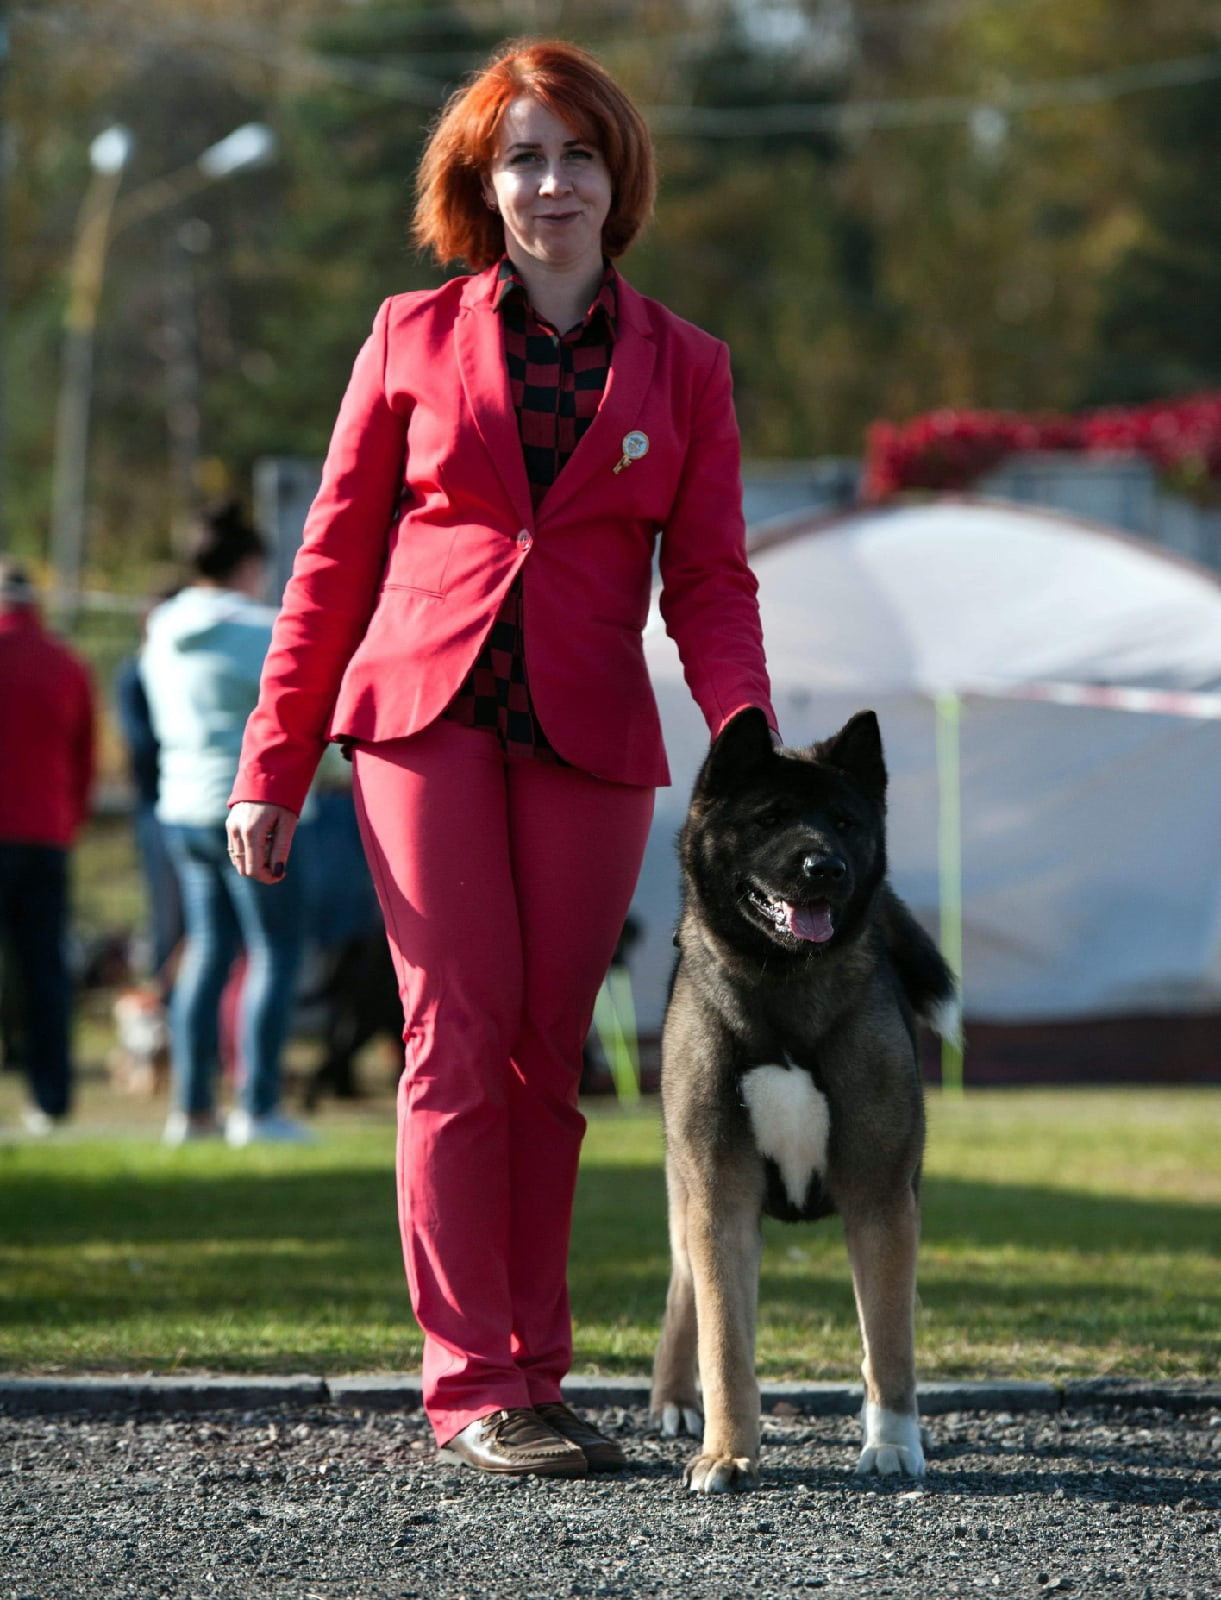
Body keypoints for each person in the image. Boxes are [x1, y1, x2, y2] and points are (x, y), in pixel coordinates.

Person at [227, 39, 778, 1477]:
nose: (552, 182)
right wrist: (270, 763)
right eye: (522, 157)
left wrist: (748, 737)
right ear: (482, 183)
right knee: (455, 1039)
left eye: (577, 153)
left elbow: (712, 583)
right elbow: (331, 566)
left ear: (618, 176)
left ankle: (538, 1370)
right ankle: (473, 1380)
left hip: (591, 738)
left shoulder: (690, 366)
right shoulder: (407, 336)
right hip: (423, 725)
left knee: (552, 1053)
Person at [141, 503, 309, 1147]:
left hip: (181, 807)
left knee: (207, 953)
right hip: (251, 804)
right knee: (274, 952)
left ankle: (192, 1112)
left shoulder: (161, 626)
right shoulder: (260, 627)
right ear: (248, 564)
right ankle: (258, 1110)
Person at [0, 558, 96, 1132]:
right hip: (46, 836)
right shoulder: (67, 663)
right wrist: (69, 820)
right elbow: (85, 757)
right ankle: (51, 1100)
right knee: (44, 973)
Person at [114, 583, 184, 998]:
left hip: (185, 805)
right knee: (167, 919)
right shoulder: (136, 672)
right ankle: (166, 1013)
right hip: (157, 808)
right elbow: (138, 744)